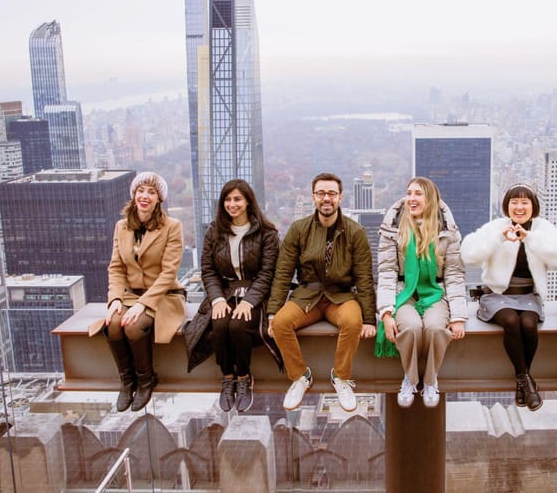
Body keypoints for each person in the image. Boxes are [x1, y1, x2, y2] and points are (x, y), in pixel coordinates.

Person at [267, 172, 376, 412]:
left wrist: (369, 318)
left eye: (331, 194)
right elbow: (283, 273)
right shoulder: (298, 230)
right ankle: (300, 377)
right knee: (281, 324)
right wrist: (273, 311)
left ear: (340, 197)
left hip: (342, 296)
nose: (326, 198)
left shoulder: (355, 232)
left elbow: (364, 278)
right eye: (321, 193)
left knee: (352, 321)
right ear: (313, 197)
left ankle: (341, 377)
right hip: (308, 296)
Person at [461, 183, 557, 411]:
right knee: (511, 321)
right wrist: (498, 239)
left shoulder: (542, 228)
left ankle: (523, 382)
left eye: (525, 202)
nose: (519, 207)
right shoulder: (497, 226)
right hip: (498, 294)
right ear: (507, 206)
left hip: (529, 293)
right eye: (514, 202)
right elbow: (469, 254)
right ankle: (526, 382)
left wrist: (529, 238)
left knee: (529, 324)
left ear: (533, 206)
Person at [89, 171, 187, 412]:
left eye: (151, 192)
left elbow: (168, 273)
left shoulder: (172, 227)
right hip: (129, 294)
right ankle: (127, 381)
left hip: (163, 295)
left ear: (159, 199)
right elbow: (116, 267)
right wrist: (114, 299)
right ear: (133, 195)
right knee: (113, 323)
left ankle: (145, 380)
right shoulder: (121, 227)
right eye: (141, 191)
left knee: (133, 325)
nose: (145, 196)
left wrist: (144, 304)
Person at [184, 179, 282, 413]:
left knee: (238, 327)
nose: (232, 204)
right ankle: (228, 377)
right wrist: (217, 299)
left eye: (237, 199)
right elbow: (208, 270)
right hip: (225, 292)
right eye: (228, 199)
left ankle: (245, 377)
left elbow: (268, 273)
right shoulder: (214, 231)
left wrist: (249, 301)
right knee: (218, 327)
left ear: (248, 201)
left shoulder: (266, 233)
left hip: (255, 294)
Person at [375, 177, 468, 408]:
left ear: (430, 199)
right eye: (409, 193)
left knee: (436, 328)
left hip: (435, 292)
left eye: (418, 194)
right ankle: (410, 378)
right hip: (403, 291)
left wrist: (458, 317)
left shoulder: (447, 231)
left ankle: (430, 380)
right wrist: (386, 312)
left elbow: (454, 275)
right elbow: (386, 271)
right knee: (412, 327)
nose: (411, 199)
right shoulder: (393, 228)